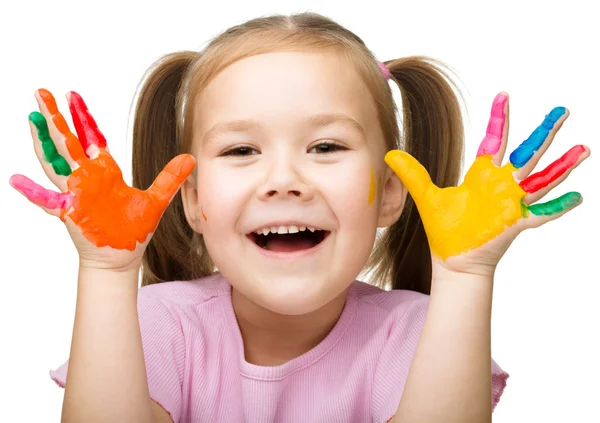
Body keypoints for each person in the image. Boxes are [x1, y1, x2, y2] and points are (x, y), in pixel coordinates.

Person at [9, 11, 590, 423]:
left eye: (326, 147)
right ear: (191, 201)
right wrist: (108, 273)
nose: (284, 179)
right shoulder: (154, 328)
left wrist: (465, 277)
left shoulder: (416, 335)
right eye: (241, 151)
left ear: (389, 192)